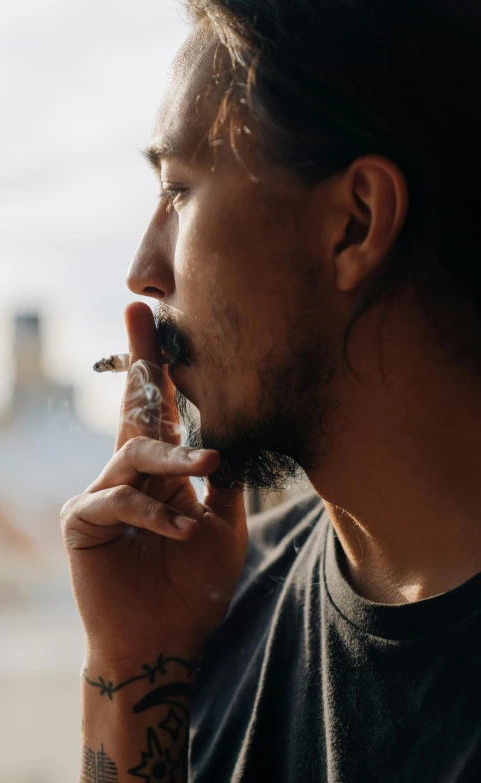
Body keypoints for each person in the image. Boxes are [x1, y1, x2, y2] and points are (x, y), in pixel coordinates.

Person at [61, 1, 481, 780]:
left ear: (355, 224)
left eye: (180, 191)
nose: (144, 271)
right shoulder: (218, 604)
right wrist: (132, 664)